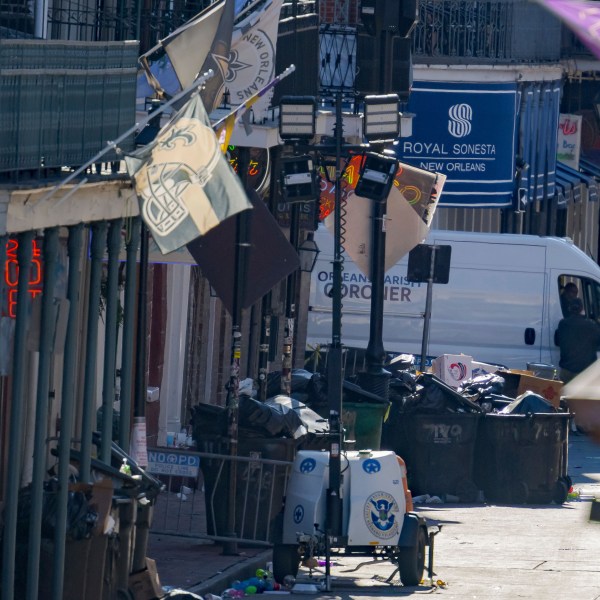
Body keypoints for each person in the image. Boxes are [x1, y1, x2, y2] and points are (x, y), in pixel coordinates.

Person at [556, 298, 600, 384]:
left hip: (565, 371)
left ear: (569, 309)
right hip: (583, 372)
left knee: (562, 396)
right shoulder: (591, 325)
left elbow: (558, 340)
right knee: (580, 397)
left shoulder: (563, 324)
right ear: (581, 309)